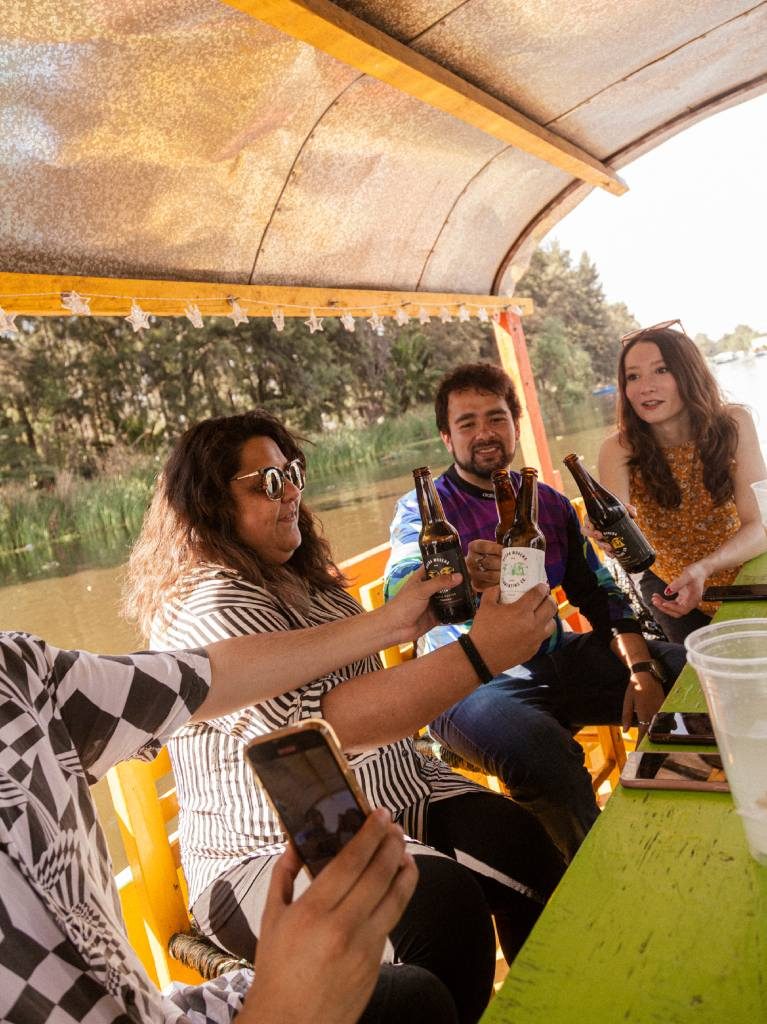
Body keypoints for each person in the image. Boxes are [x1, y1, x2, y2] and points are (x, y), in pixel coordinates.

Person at [123, 410, 563, 1024]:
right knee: (441, 909)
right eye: (267, 483)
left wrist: (450, 602)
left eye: (293, 474)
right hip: (272, 851)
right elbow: (327, 732)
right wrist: (482, 654)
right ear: (209, 505)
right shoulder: (206, 605)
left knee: (527, 846)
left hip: (394, 791)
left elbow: (371, 664)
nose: (292, 493)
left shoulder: (311, 582)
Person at [0, 623, 427, 1024]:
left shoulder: (15, 669)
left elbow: (206, 676)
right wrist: (279, 1009)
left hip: (145, 1008)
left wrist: (398, 620)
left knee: (413, 996)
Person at [386, 362, 686, 862]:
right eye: (467, 422)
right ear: (446, 437)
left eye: (497, 418)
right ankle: (595, 876)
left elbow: (599, 593)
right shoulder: (424, 508)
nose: (485, 433)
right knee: (543, 756)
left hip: (554, 654)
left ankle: (685, 822)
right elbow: (400, 582)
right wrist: (459, 572)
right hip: (463, 676)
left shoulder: (548, 502)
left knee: (687, 672)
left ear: (515, 427)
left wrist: (639, 668)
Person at [595, 319, 767, 643]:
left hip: (745, 563)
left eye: (661, 370)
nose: (645, 386)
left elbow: (759, 525)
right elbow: (616, 522)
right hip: (671, 587)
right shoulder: (617, 448)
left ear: (689, 373)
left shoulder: (735, 423)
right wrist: (608, 536)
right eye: (633, 376)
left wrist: (706, 566)